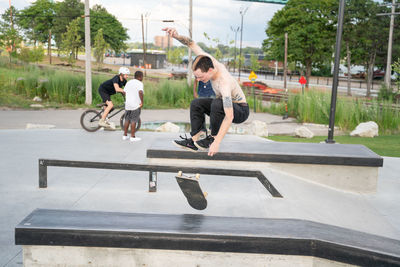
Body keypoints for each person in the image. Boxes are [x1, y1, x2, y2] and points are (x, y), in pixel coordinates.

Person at [163, 27, 250, 157]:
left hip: (240, 111)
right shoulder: (207, 60)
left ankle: (212, 139)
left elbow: (229, 116)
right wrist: (176, 36)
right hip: (222, 106)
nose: (198, 80)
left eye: (200, 77)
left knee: (217, 103)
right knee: (196, 103)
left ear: (209, 71)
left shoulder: (224, 83)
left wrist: (217, 142)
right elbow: (191, 43)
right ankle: (195, 139)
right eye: (196, 77)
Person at [122, 71, 144, 142]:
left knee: (127, 119)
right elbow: (140, 92)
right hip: (135, 105)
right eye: (142, 77)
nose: (142, 78)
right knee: (134, 120)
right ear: (140, 77)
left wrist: (128, 98)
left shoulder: (129, 82)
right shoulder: (140, 83)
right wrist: (142, 101)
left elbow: (124, 92)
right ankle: (132, 136)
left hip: (128, 104)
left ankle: (125, 135)